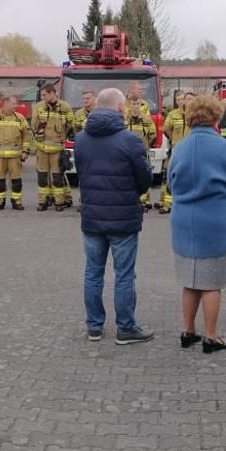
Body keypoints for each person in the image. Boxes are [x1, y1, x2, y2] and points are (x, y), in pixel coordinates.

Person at [167, 93, 226, 354]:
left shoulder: (179, 148)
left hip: (184, 222)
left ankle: (188, 331)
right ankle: (211, 336)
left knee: (189, 280)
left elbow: (170, 185)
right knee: (212, 283)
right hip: (215, 222)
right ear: (216, 117)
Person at [75, 88, 155, 345]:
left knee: (93, 273)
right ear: (120, 108)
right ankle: (126, 328)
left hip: (92, 216)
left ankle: (94, 327)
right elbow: (145, 180)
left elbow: (81, 174)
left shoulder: (81, 139)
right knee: (124, 275)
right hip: (123, 218)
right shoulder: (130, 140)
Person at [32, 84, 76, 211]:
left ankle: (59, 202)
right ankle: (43, 202)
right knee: (42, 177)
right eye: (42, 95)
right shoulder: (39, 107)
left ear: (52, 93)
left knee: (57, 177)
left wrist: (65, 138)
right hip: (42, 149)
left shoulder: (65, 107)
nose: (42, 97)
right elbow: (33, 126)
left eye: (44, 94)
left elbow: (70, 125)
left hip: (57, 149)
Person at [0, 95, 29, 210]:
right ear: (6, 104)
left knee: (16, 181)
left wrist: (25, 151)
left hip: (15, 157)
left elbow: (26, 137)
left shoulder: (20, 118)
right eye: (13, 103)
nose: (15, 106)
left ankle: (16, 201)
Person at [124, 81, 160, 213]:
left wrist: (145, 146)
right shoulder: (124, 117)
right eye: (133, 104)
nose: (135, 106)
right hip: (127, 151)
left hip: (142, 151)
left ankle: (144, 201)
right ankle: (130, 200)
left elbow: (152, 134)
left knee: (143, 174)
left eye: (138, 104)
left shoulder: (146, 117)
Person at [157, 90, 192, 214]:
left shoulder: (194, 115)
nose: (182, 102)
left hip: (189, 150)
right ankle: (167, 203)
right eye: (180, 99)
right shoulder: (173, 114)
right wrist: (174, 139)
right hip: (176, 149)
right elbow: (166, 129)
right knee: (169, 174)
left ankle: (184, 202)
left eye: (184, 99)